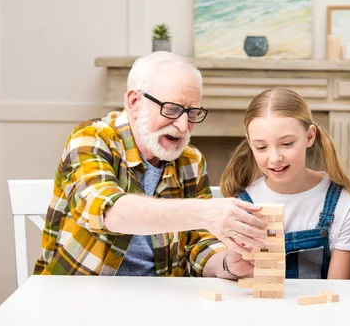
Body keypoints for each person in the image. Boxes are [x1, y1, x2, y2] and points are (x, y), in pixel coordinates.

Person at [34, 51, 267, 279]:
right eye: (172, 109)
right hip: (78, 298)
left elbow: (198, 243)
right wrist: (205, 212)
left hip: (162, 299)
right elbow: (107, 211)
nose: (184, 126)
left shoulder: (191, 160)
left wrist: (226, 264)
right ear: (134, 102)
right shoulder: (91, 139)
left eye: (192, 112)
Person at [220, 88, 350, 279]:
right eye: (261, 147)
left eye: (287, 143)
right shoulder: (241, 205)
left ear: (309, 136)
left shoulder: (346, 204)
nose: (275, 158)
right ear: (250, 143)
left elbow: (337, 291)